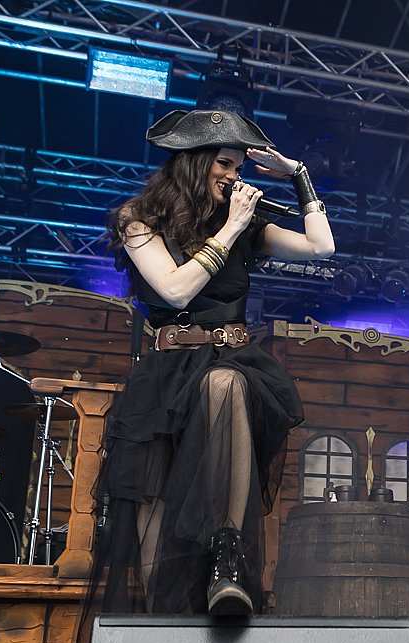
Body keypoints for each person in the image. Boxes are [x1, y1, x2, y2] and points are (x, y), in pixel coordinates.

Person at [87, 109, 335, 616]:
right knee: (155, 509)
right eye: (224, 163)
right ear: (194, 161)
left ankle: (228, 557)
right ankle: (159, 623)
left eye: (238, 167)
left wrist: (298, 174)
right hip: (167, 373)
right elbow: (175, 290)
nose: (233, 175)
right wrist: (232, 228)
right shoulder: (139, 219)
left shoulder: (244, 225)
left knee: (226, 384)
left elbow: (321, 246)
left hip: (229, 359)